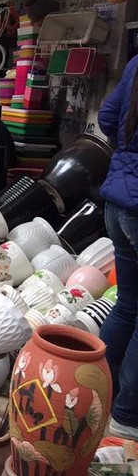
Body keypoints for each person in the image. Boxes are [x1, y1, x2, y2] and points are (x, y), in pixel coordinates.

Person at [98, 53, 138, 440]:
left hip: (118, 202)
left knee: (128, 303)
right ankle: (127, 415)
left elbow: (108, 119)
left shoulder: (135, 63)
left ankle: (99, 396)